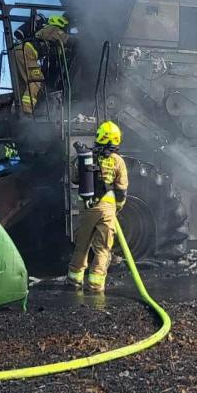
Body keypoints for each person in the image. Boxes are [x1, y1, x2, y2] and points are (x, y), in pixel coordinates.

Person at [68, 120, 129, 294]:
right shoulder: (118, 161)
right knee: (102, 248)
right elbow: (122, 190)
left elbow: (75, 179)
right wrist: (117, 207)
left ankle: (74, 280)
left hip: (87, 207)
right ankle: (95, 285)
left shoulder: (86, 156)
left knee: (82, 245)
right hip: (107, 208)